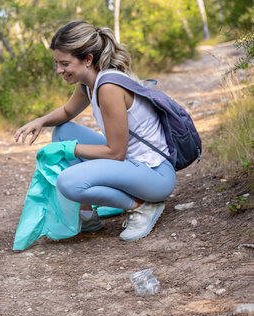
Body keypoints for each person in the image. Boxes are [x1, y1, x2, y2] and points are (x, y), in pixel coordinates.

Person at [14, 20, 176, 242]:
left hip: (155, 176)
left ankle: (140, 206)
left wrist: (70, 149)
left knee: (67, 182)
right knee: (63, 131)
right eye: (57, 63)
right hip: (131, 164)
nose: (59, 70)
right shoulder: (88, 83)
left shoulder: (109, 87)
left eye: (64, 63)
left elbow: (116, 153)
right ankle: (88, 214)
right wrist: (40, 121)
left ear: (88, 59)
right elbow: (67, 112)